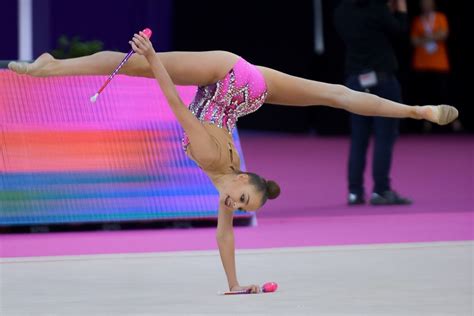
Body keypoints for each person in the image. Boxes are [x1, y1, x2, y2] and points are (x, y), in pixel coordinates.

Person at [8, 32, 458, 293]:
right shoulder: (212, 161)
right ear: (243, 177)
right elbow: (175, 105)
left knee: (334, 95)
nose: (234, 204)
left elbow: (224, 234)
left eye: (240, 205)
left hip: (253, 89)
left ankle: (417, 111)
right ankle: (51, 67)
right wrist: (152, 59)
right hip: (224, 74)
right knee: (134, 68)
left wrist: (235, 284)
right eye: (242, 199)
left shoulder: (228, 183)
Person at [334, 0, 413, 206]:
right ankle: (381, 190)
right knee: (384, 137)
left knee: (359, 138)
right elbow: (400, 31)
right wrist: (401, 11)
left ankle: (355, 191)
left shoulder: (342, 10)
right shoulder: (376, 8)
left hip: (355, 79)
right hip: (382, 77)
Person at [411, 0, 461, 132]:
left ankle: (453, 120)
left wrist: (424, 37)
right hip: (422, 62)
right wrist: (434, 36)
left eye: (428, 3)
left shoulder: (440, 17)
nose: (426, 5)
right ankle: (426, 122)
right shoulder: (417, 20)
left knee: (443, 93)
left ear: (433, 4)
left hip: (439, 62)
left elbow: (443, 35)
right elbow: (414, 41)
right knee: (424, 94)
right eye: (423, 3)